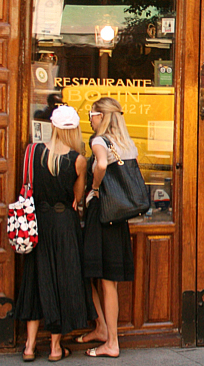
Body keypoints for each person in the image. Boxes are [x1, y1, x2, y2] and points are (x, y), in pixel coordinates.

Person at [13, 105, 93, 362]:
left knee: (36, 282)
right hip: (64, 225)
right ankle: (56, 348)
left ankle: (29, 345)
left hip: (38, 222)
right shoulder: (77, 160)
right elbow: (77, 198)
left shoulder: (33, 151)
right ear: (75, 130)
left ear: (53, 127)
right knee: (61, 282)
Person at [79, 97, 137, 358]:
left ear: (102, 116)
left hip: (102, 216)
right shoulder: (126, 143)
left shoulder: (99, 141)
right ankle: (102, 328)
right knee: (99, 275)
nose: (89, 118)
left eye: (92, 113)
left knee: (105, 280)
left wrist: (92, 188)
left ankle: (111, 342)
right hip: (117, 218)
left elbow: (101, 165)